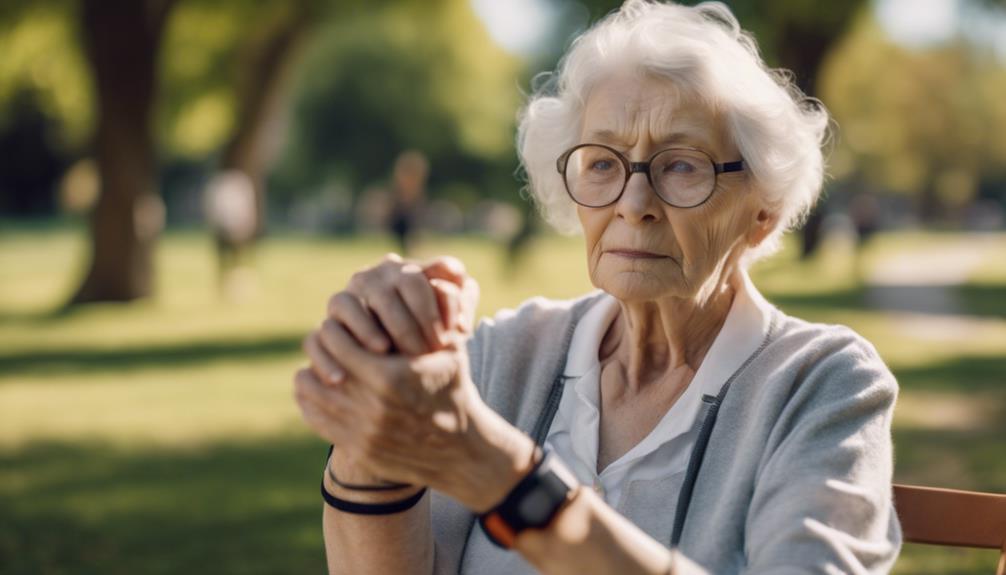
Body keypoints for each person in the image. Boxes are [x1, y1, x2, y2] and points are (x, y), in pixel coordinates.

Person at [292, 1, 902, 573]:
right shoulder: (504, 354)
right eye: (604, 163)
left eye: (682, 165)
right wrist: (372, 423)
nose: (633, 204)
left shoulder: (822, 382)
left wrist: (508, 480)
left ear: (762, 209)